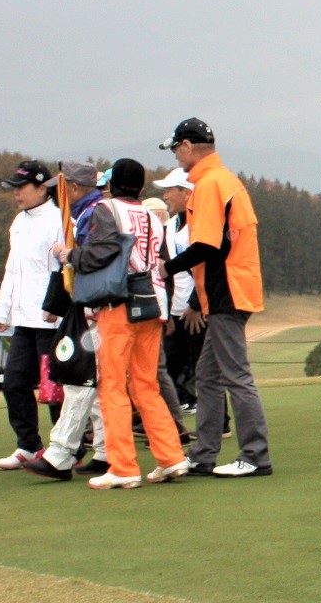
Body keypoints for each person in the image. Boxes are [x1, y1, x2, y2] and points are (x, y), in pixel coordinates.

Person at [61, 159, 188, 490]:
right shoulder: (152, 216)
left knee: (113, 385)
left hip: (118, 305)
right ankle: (171, 456)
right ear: (141, 187)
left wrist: (70, 256)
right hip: (153, 304)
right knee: (146, 384)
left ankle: (123, 466)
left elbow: (100, 253)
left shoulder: (106, 210)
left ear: (113, 183)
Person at [161, 118, 272, 477]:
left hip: (227, 289)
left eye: (177, 149)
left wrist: (167, 268)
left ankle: (255, 455)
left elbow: (208, 244)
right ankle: (203, 452)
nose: (177, 157)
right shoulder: (222, 179)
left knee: (235, 375)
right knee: (207, 375)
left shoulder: (209, 184)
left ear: (188, 147)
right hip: (230, 287)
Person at [22, 161, 112, 481]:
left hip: (94, 307)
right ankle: (105, 450)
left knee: (80, 379)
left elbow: (87, 261)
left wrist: (65, 254)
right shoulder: (92, 211)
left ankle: (61, 454)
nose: (56, 194)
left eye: (60, 187)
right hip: (97, 306)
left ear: (73, 187)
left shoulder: (91, 214)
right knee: (96, 380)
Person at [0, 160, 64, 470]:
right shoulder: (19, 221)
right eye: (14, 188)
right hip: (24, 321)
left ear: (41, 187)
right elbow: (13, 268)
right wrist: (3, 308)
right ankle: (29, 446)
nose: (16, 194)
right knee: (14, 382)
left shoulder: (58, 220)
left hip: (50, 321)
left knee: (54, 389)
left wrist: (55, 306)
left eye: (21, 187)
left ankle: (65, 449)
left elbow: (59, 270)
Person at [154, 168, 204, 411]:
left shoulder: (199, 222)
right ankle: (172, 421)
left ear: (186, 192)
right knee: (170, 366)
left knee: (203, 369)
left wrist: (196, 304)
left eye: (169, 190)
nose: (165, 196)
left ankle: (219, 423)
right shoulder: (171, 224)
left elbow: (205, 266)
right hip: (174, 308)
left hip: (196, 309)